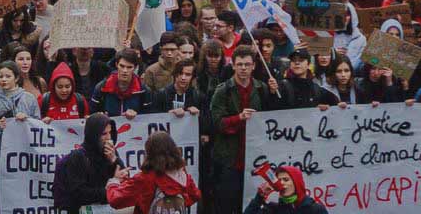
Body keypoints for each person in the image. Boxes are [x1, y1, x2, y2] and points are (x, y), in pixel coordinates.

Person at [211, 46, 274, 214]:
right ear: (233, 65)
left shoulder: (262, 88)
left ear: (253, 66)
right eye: (240, 64)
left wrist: (275, 92)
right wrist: (239, 118)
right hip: (229, 159)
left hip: (254, 158)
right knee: (226, 204)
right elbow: (217, 123)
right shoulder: (223, 90)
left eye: (247, 64)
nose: (243, 68)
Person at [0, 61, 41, 210]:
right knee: (0, 196)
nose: (3, 79)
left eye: (8, 76)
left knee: (22, 194)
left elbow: (38, 127)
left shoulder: (29, 99)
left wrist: (27, 120)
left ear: (16, 78)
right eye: (1, 76)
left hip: (24, 158)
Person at [107, 131, 201, 214]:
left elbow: (115, 200)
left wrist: (114, 182)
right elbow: (195, 195)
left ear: (149, 153)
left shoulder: (145, 178)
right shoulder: (182, 173)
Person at [53, 113, 125, 214]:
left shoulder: (110, 152)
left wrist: (114, 160)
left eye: (110, 133)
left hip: (107, 208)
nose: (109, 138)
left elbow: (124, 178)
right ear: (94, 134)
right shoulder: (78, 157)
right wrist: (110, 190)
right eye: (104, 134)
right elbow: (79, 193)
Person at [243, 166, 328, 213]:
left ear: (297, 183)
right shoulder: (273, 209)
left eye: (286, 180)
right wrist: (259, 197)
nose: (282, 183)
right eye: (279, 180)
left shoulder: (316, 210)